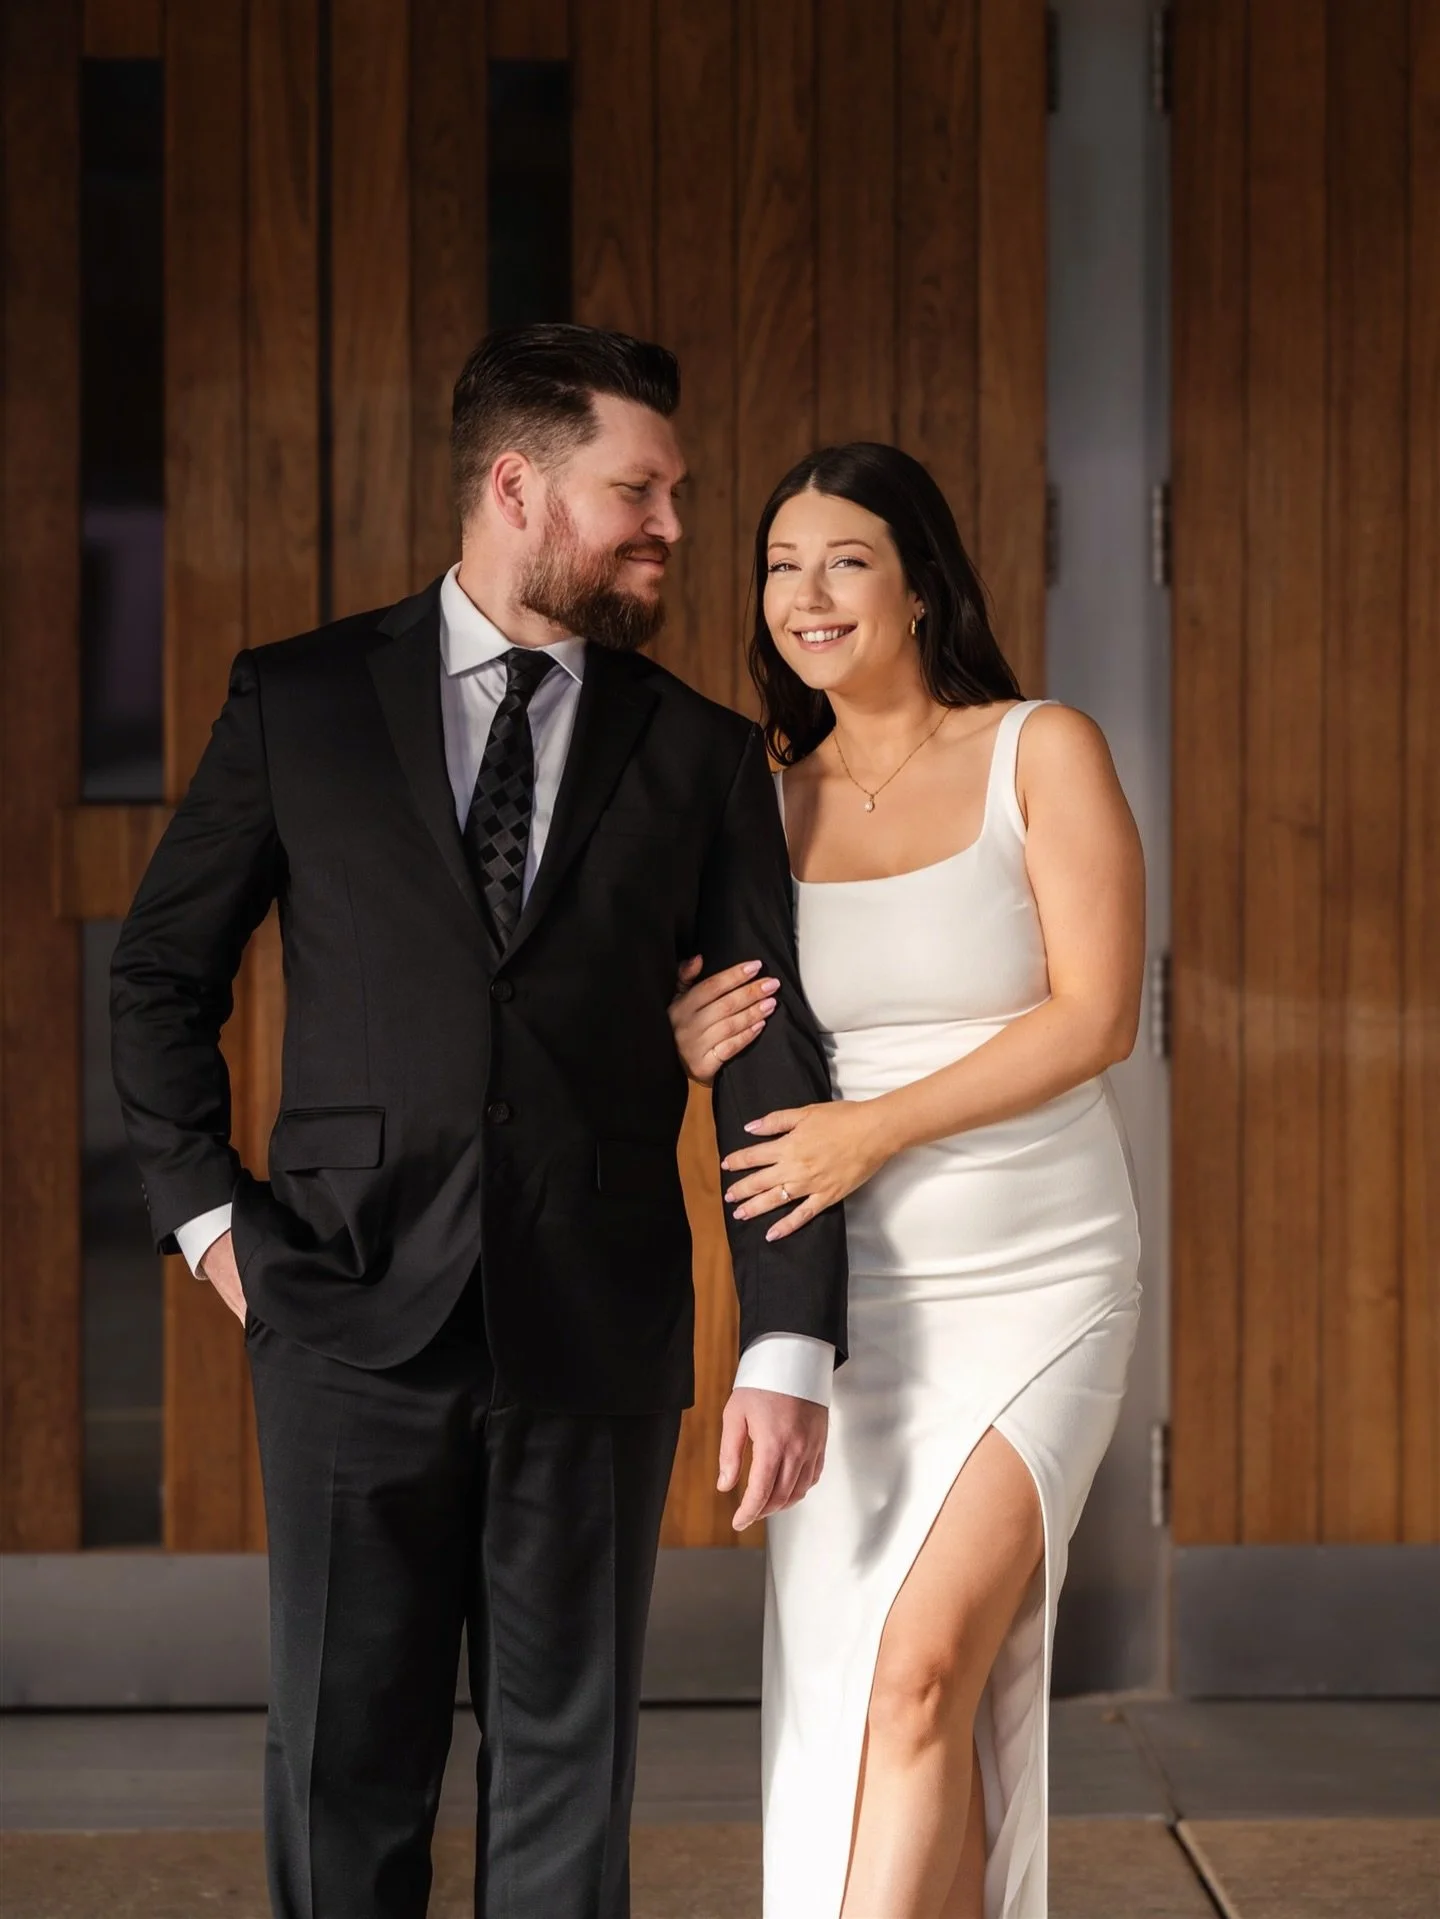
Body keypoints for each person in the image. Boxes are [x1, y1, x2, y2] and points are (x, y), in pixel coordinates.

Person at [110, 324, 847, 1919]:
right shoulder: (301, 701)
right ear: (518, 488)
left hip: (594, 1319)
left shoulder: (704, 753)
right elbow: (161, 973)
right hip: (340, 1306)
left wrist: (789, 1335)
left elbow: (768, 1051)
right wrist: (212, 1220)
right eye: (637, 491)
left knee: (570, 1782)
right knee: (344, 1763)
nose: (672, 525)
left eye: (674, 493)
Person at [667, 442, 1144, 1919]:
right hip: (855, 1301)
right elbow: (734, 1023)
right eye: (779, 565)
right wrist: (679, 1037)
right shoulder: (760, 802)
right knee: (907, 1697)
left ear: (922, 583)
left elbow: (1097, 1016)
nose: (806, 594)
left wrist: (876, 1130)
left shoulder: (1039, 748)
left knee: (922, 1664)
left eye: (846, 560)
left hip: (1042, 1278)